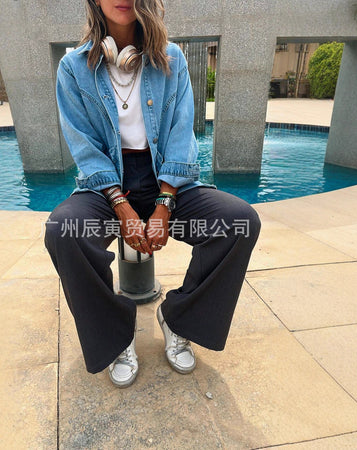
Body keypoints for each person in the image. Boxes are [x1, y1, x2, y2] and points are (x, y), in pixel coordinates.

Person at [45, 0, 261, 388]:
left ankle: (178, 319)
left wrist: (164, 203)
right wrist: (121, 206)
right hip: (106, 185)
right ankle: (115, 336)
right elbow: (84, 145)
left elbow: (181, 132)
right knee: (64, 231)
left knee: (239, 222)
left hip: (166, 179)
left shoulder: (171, 59)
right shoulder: (73, 68)